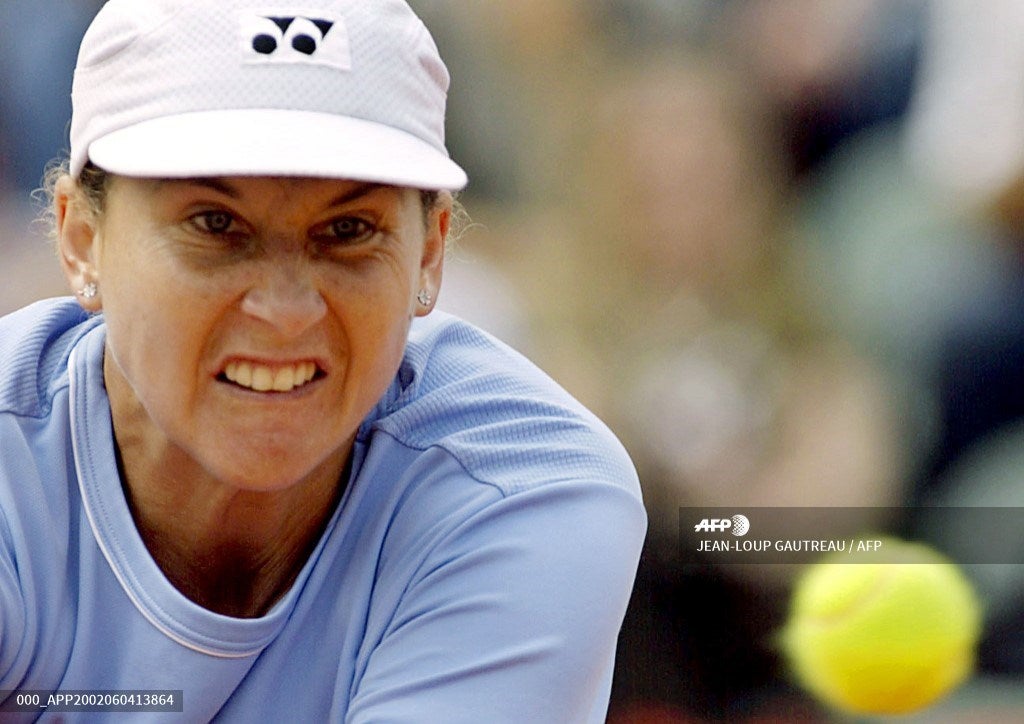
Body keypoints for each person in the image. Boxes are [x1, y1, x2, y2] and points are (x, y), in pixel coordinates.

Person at [0, 1, 646, 721]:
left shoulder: (526, 488)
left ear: (429, 253)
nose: (286, 310)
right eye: (216, 225)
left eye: (348, 230)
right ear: (81, 239)